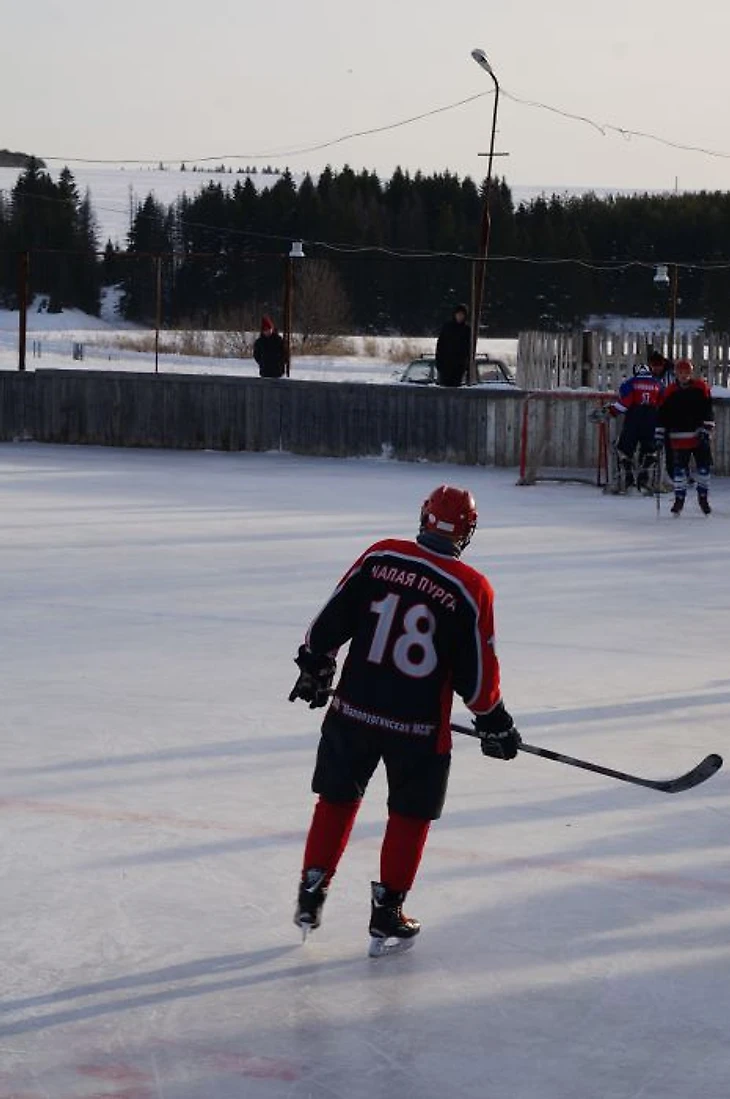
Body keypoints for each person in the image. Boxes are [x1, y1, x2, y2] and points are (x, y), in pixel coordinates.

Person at [288, 484, 520, 957]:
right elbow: (477, 681)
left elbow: (328, 624)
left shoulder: (380, 556)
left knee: (336, 799)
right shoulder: (472, 588)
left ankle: (312, 893)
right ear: (468, 531)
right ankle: (386, 913)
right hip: (417, 728)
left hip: (352, 710)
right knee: (409, 816)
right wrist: (494, 722)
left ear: (423, 516)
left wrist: (316, 666)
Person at [603, 350, 667, 493]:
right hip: (651, 419)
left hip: (634, 419)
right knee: (650, 450)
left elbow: (624, 404)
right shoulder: (658, 384)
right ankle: (646, 479)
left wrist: (611, 411)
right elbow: (664, 404)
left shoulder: (630, 383)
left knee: (625, 450)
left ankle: (627, 479)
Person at [656, 358, 714, 515]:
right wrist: (660, 435)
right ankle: (679, 499)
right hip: (678, 436)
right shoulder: (669, 392)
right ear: (676, 373)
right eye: (680, 373)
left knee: (704, 468)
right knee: (679, 470)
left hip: (698, 434)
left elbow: (708, 409)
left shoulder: (701, 387)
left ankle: (703, 497)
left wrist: (706, 428)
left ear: (691, 373)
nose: (683, 376)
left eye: (686, 372)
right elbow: (662, 415)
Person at [435, 304, 471, 387]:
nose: (460, 317)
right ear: (454, 314)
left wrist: (466, 365)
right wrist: (439, 363)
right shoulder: (447, 327)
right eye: (458, 314)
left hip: (459, 367)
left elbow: (468, 349)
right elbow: (440, 346)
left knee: (456, 390)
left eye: (462, 315)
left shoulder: (467, 330)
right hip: (445, 366)